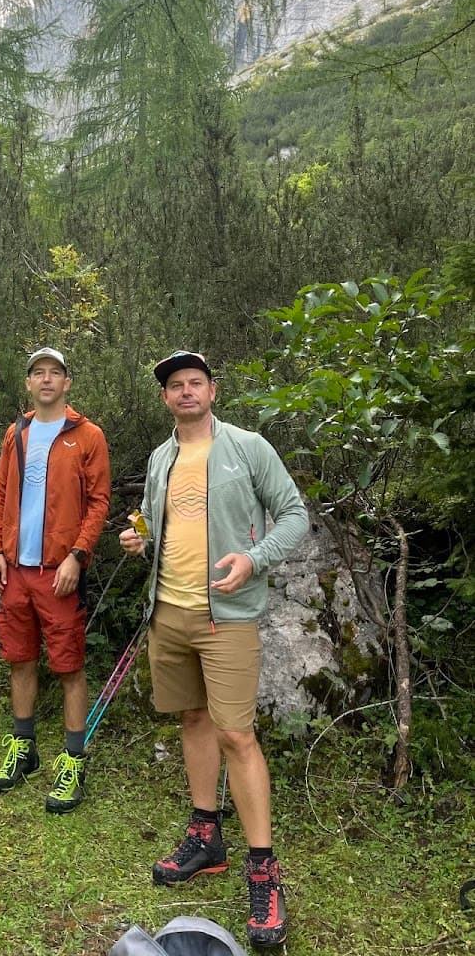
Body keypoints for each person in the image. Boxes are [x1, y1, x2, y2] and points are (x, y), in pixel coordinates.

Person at [119, 351, 308, 948]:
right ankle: (206, 836)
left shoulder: (248, 447)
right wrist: (137, 537)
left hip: (227, 617)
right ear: (165, 398)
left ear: (212, 390)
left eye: (194, 383)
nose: (185, 392)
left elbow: (295, 514)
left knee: (238, 735)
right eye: (175, 386)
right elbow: (154, 523)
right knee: (193, 718)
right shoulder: (160, 457)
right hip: (168, 614)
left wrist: (255, 557)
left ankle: (264, 872)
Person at [0, 347, 111, 813]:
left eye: (54, 373)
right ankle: (24, 747)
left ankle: (74, 758)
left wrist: (78, 556)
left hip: (60, 571)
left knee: (68, 664)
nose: (45, 380)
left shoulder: (88, 435)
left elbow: (99, 502)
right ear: (28, 384)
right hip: (16, 570)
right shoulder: (16, 433)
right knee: (19, 658)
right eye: (37, 373)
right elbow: (0, 491)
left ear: (67, 383)